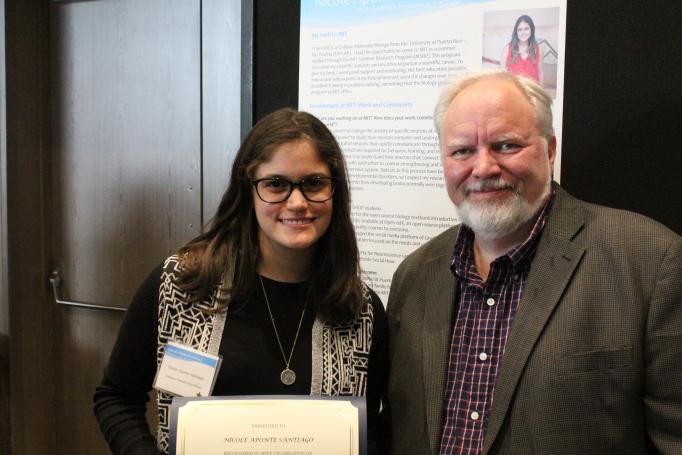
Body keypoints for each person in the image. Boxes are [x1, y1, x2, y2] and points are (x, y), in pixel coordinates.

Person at [385, 70, 682, 454]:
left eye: (506, 145)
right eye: (462, 151)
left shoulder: (650, 261)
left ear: (550, 149)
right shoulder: (413, 276)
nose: (484, 168)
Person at [94, 108, 388, 455]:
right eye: (276, 184)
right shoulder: (181, 285)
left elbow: (372, 427)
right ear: (248, 190)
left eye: (313, 183)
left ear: (334, 190)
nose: (297, 202)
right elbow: (116, 397)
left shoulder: (361, 311)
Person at [501, 15, 543, 86]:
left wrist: (541, 92)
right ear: (516, 32)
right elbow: (503, 73)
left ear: (531, 30)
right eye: (520, 29)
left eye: (526, 28)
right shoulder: (507, 48)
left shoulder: (538, 48)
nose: (523, 32)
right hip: (514, 91)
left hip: (532, 90)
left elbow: (540, 72)